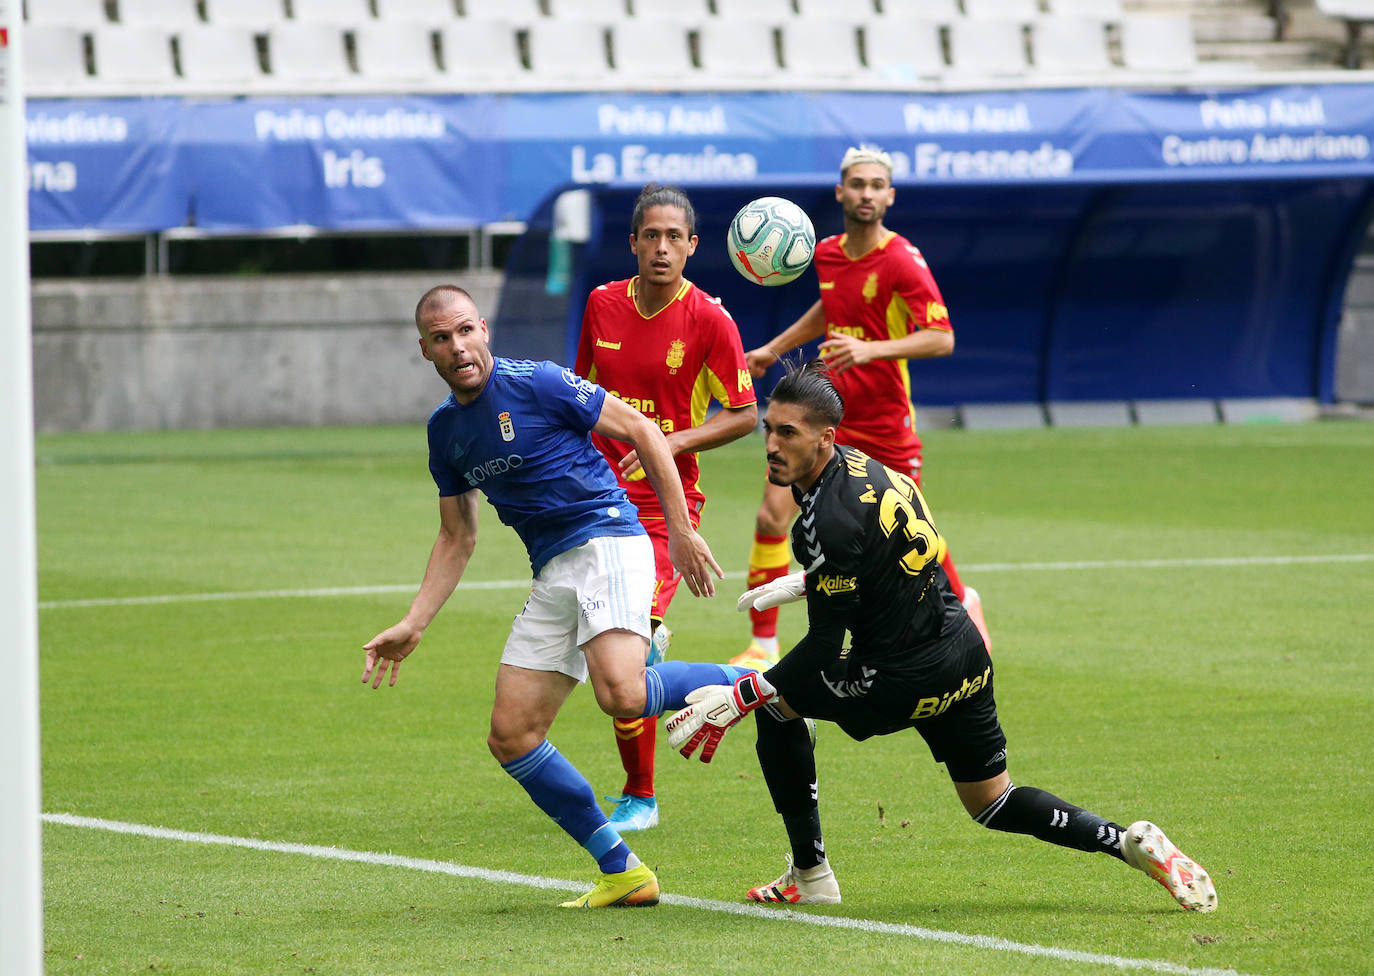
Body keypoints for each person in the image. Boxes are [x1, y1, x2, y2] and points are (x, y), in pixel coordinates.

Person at [665, 361, 1218, 914]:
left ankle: (810, 877)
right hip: (962, 654)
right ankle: (1122, 841)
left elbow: (824, 651)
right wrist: (813, 583)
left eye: (788, 432)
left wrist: (743, 694)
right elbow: (886, 559)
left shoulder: (824, 521)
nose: (772, 444)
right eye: (769, 428)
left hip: (896, 676)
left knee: (778, 709)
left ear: (824, 438)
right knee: (992, 801)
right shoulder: (872, 469)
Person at [361, 286, 760, 908]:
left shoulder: (541, 383)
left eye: (466, 330)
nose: (458, 346)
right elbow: (456, 535)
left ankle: (761, 683)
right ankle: (624, 870)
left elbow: (644, 431)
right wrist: (415, 622)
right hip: (552, 572)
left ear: (484, 329)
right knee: (512, 734)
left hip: (608, 539)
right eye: (443, 338)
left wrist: (680, 531)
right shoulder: (445, 432)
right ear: (425, 350)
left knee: (622, 693)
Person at [732, 145, 988, 670]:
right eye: (858, 184)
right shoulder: (825, 253)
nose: (866, 193)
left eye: (876, 185)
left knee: (908, 527)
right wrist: (773, 348)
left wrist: (871, 348)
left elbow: (941, 338)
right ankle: (763, 644)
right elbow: (832, 307)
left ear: (889, 196)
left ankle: (966, 609)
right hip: (826, 418)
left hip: (885, 421)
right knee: (771, 513)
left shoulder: (901, 260)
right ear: (840, 192)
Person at [575, 183, 758, 833]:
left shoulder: (710, 319)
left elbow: (744, 415)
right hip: (595, 499)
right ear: (633, 244)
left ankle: (641, 796)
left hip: (663, 508)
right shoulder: (601, 304)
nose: (661, 247)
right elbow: (581, 394)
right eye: (650, 235)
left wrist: (667, 440)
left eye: (673, 237)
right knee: (610, 658)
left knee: (629, 649)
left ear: (692, 247)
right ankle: (722, 678)